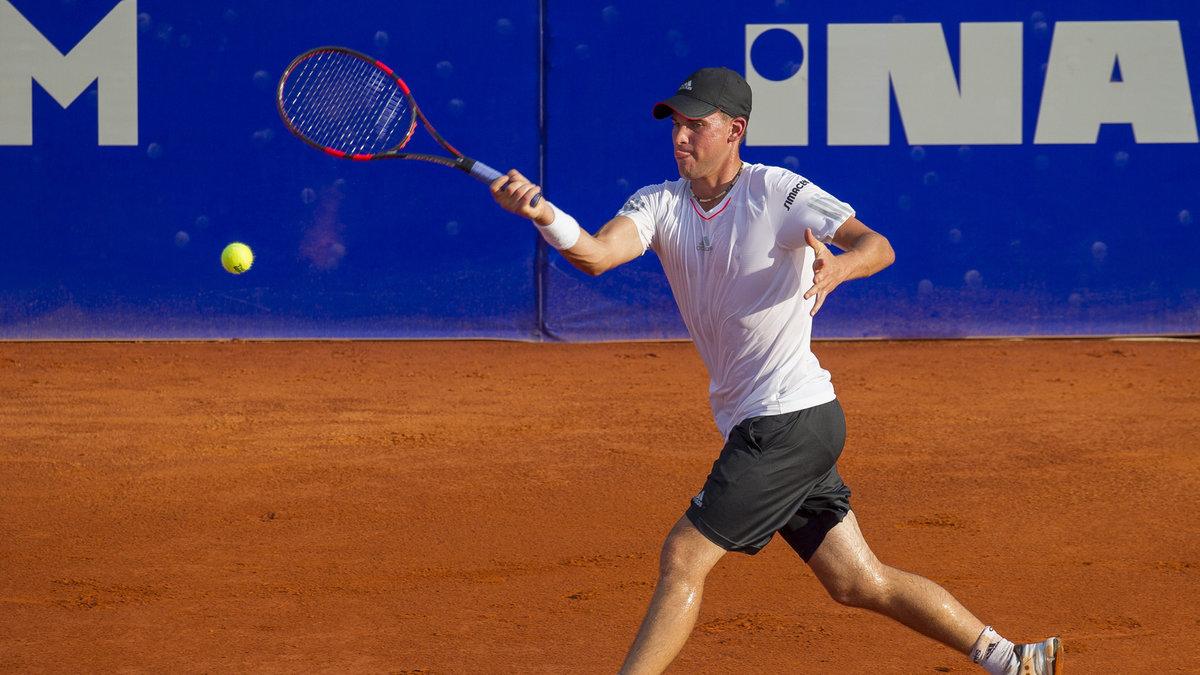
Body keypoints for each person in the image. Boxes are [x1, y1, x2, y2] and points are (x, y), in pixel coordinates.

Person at [489, 67, 1061, 675]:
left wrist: (840, 268)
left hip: (786, 421)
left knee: (684, 557)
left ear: (735, 130)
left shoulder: (777, 193)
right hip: (782, 424)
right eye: (676, 125)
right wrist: (541, 213)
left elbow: (877, 245)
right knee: (857, 580)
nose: (680, 137)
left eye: (696, 126)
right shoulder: (660, 203)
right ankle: (1013, 659)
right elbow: (598, 254)